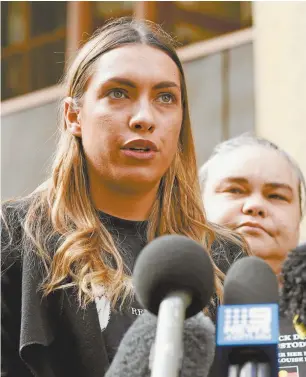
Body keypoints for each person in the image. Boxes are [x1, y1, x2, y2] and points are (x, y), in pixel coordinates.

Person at [1, 18, 248, 377]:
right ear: (74, 116)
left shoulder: (227, 256)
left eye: (166, 97)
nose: (145, 118)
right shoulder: (13, 237)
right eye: (118, 92)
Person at [199, 133, 306, 375]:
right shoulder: (166, 310)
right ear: (196, 208)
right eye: (235, 190)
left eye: (276, 196)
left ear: (299, 220)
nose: (254, 206)